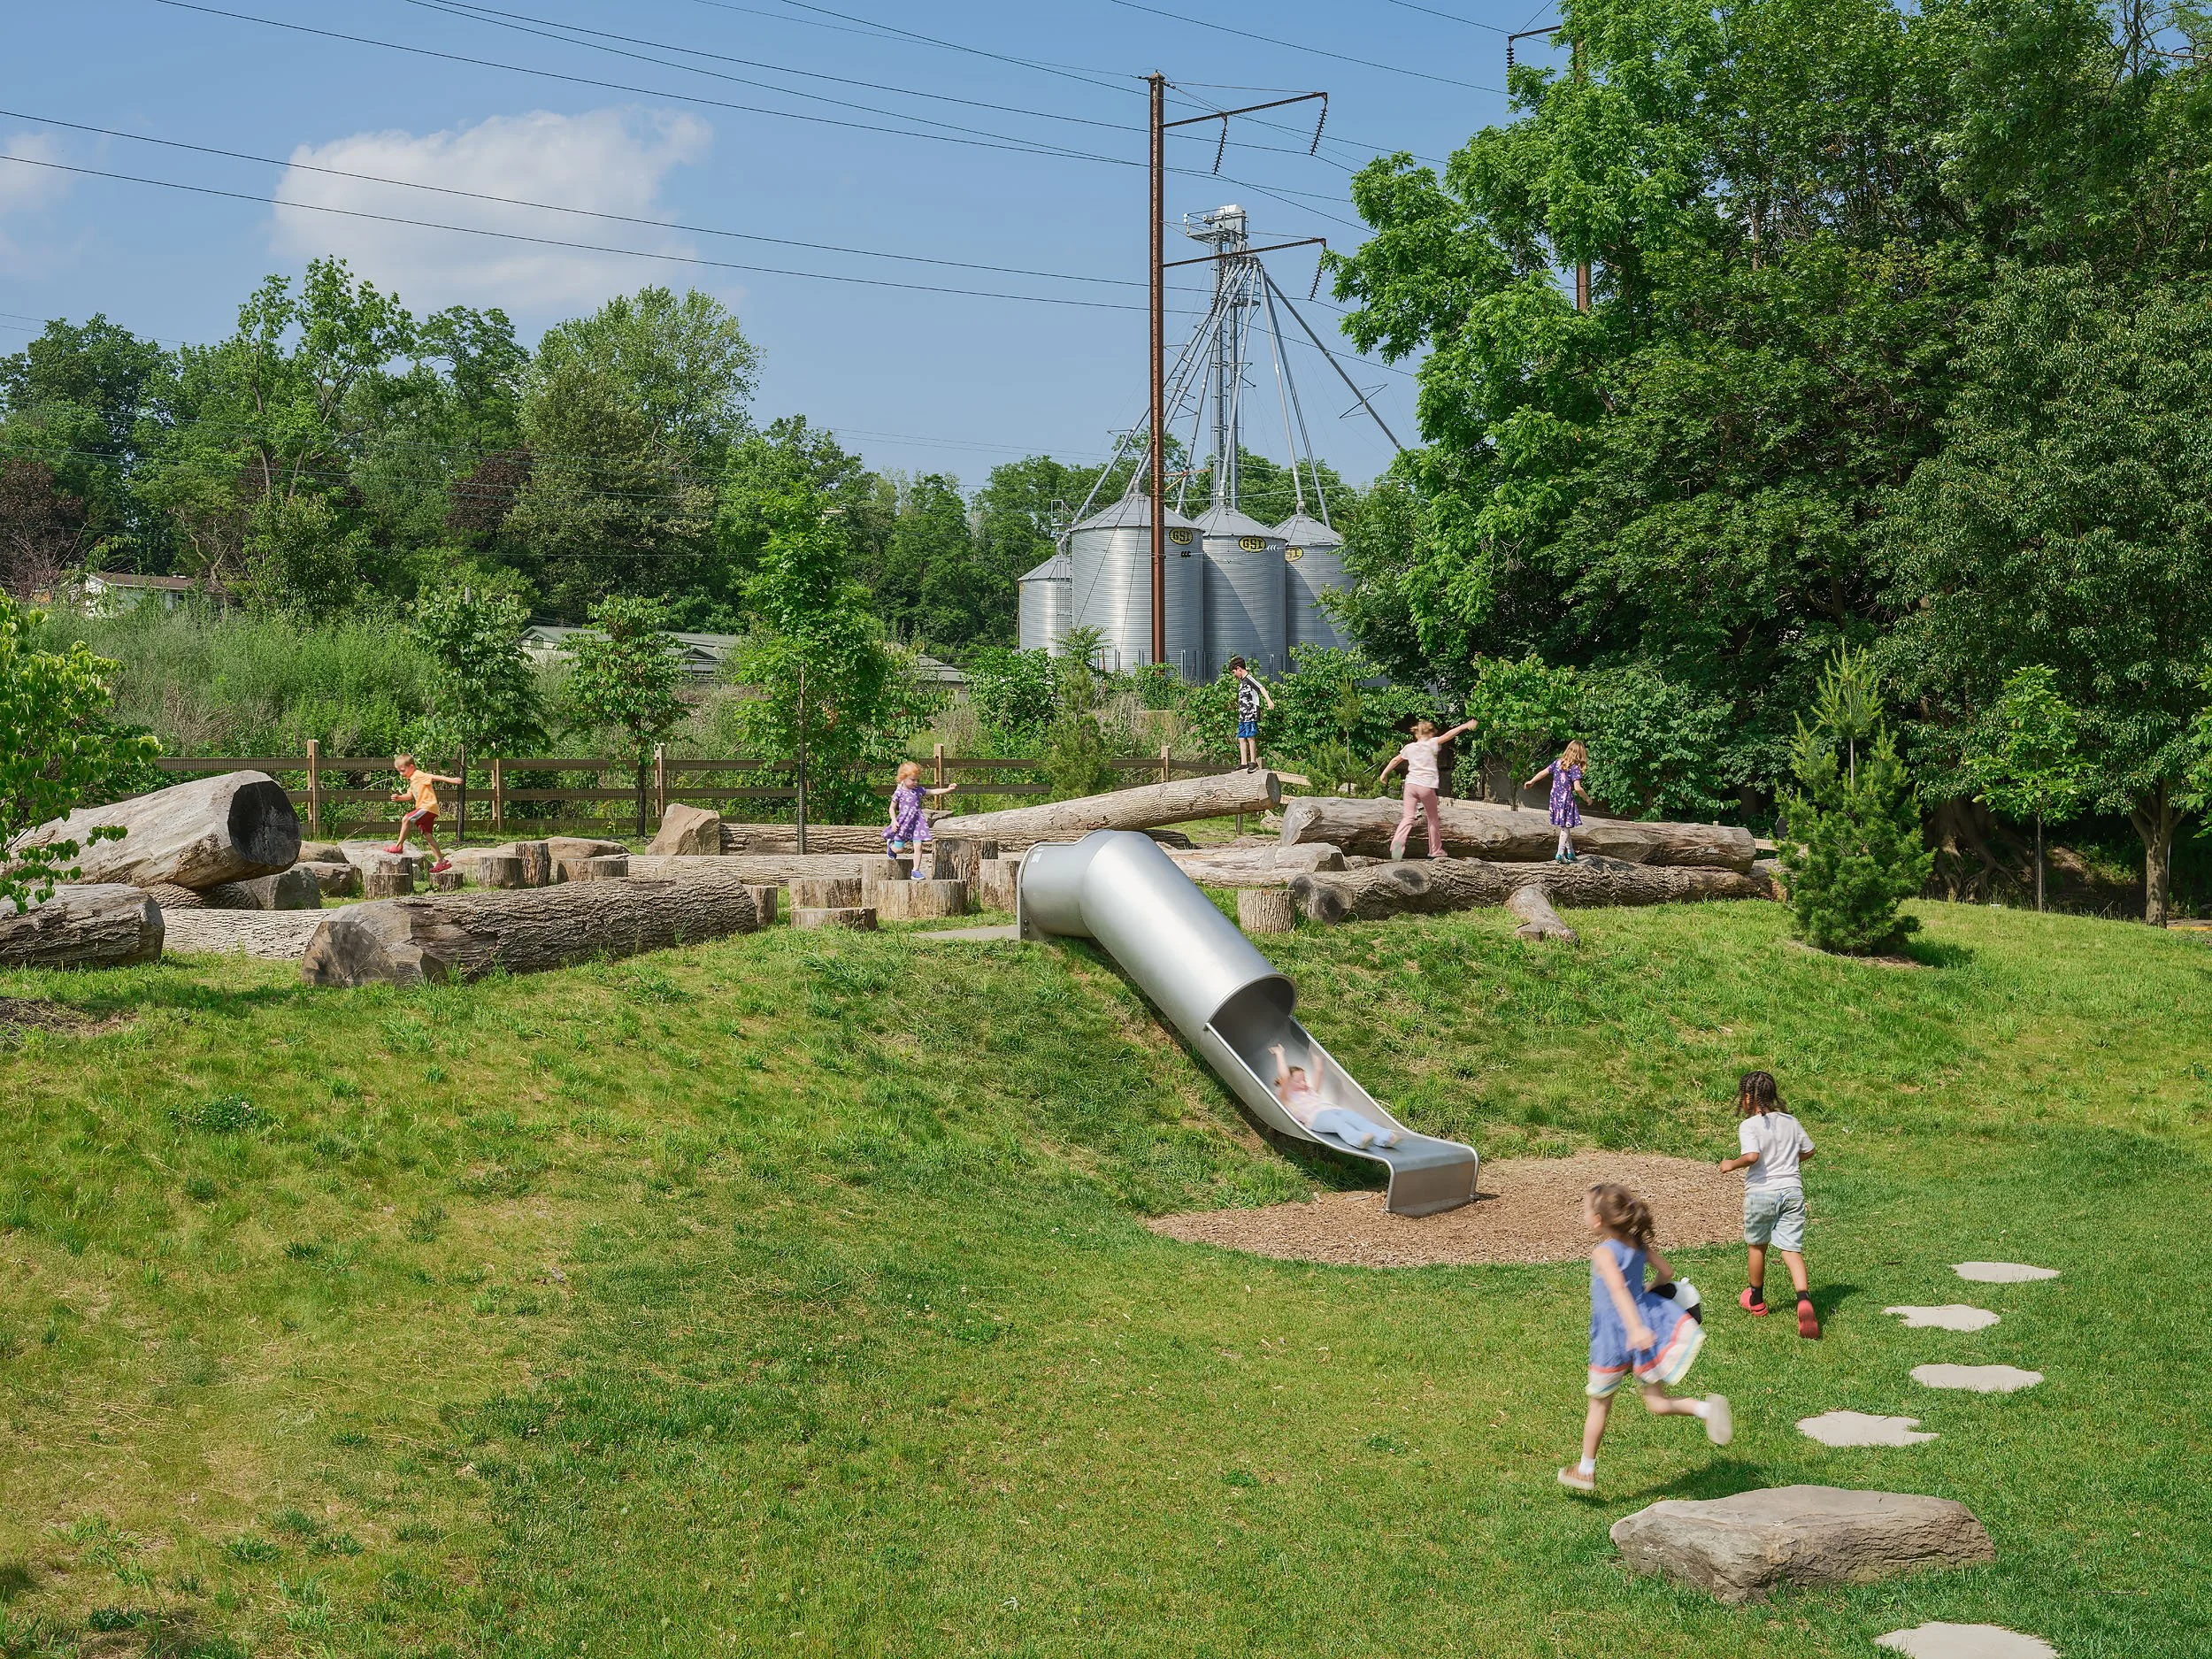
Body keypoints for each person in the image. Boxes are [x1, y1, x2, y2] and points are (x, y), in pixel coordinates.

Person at [1561, 1183, 1732, 1494]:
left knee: (1599, 1405)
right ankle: (1704, 1410)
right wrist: (1650, 1293)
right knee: (1656, 1403)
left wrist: (1633, 1327)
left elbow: (1618, 1290)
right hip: (1647, 1333)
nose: (1584, 1215)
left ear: (1599, 1221)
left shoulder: (1603, 1253)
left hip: (1613, 1340)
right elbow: (1666, 1271)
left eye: (1586, 1210)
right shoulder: (1638, 1245)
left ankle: (1586, 1469)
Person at [1717, 1070, 1820, 1338]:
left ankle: (1756, 1300)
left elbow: (1752, 1155)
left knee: (1757, 1246)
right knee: (1791, 1249)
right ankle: (1804, 1299)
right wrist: (1788, 1164)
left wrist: (1731, 1164)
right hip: (1792, 1192)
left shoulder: (1750, 1126)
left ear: (1749, 1097)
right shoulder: (1790, 1121)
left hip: (1762, 1193)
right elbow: (1809, 1151)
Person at [1379, 716, 1479, 861]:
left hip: (1410, 785)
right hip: (1426, 786)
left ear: (1417, 734)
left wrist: (1384, 773)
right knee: (1433, 819)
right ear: (1430, 733)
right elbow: (1448, 735)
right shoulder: (1431, 744)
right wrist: (1465, 725)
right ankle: (1435, 850)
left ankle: (1397, 846)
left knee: (1408, 817)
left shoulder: (1410, 747)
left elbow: (1395, 760)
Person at [1267, 1042, 1398, 1148]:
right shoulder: (1287, 1097)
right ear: (1288, 1083)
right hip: (1316, 1118)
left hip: (1334, 1110)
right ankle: (1357, 1139)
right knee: (1337, 1123)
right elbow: (1285, 1076)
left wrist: (1316, 1055)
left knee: (1357, 1119)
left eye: (1304, 1079)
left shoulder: (1310, 1091)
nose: (1303, 1083)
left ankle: (1385, 1137)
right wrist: (1280, 1054)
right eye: (1298, 1081)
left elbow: (1319, 1072)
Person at [385, 754, 458, 873]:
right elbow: (409, 796)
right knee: (427, 835)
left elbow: (434, 777)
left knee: (406, 819)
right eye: (399, 771)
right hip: (428, 809)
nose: (401, 774)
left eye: (403, 771)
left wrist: (453, 781)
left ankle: (398, 846)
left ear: (412, 767)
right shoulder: (412, 781)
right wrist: (399, 797)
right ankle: (442, 862)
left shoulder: (419, 775)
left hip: (427, 807)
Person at [884, 760, 957, 879]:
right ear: (903, 778)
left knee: (918, 846)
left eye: (917, 779)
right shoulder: (899, 793)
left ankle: (915, 870)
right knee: (899, 849)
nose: (915, 782)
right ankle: (891, 847)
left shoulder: (918, 790)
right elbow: (892, 808)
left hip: (917, 823)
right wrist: (893, 821)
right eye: (913, 780)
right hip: (904, 824)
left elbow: (932, 791)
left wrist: (947, 790)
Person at [1524, 739, 1592, 863]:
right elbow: (1577, 788)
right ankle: (1560, 854)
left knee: (1566, 826)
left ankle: (1570, 852)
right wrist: (1587, 798)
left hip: (1555, 798)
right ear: (1580, 754)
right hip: (1566, 800)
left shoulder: (1557, 763)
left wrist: (1532, 781)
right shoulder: (1575, 768)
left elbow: (1543, 772)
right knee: (1565, 827)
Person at [1229, 657, 1275, 772]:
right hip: (1243, 714)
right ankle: (1243, 762)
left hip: (1251, 712)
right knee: (1241, 737)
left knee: (1250, 736)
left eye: (1234, 672)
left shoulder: (1249, 679)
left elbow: (1261, 687)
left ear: (1239, 669)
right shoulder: (1242, 682)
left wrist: (1269, 700)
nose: (1235, 675)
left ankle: (1253, 762)